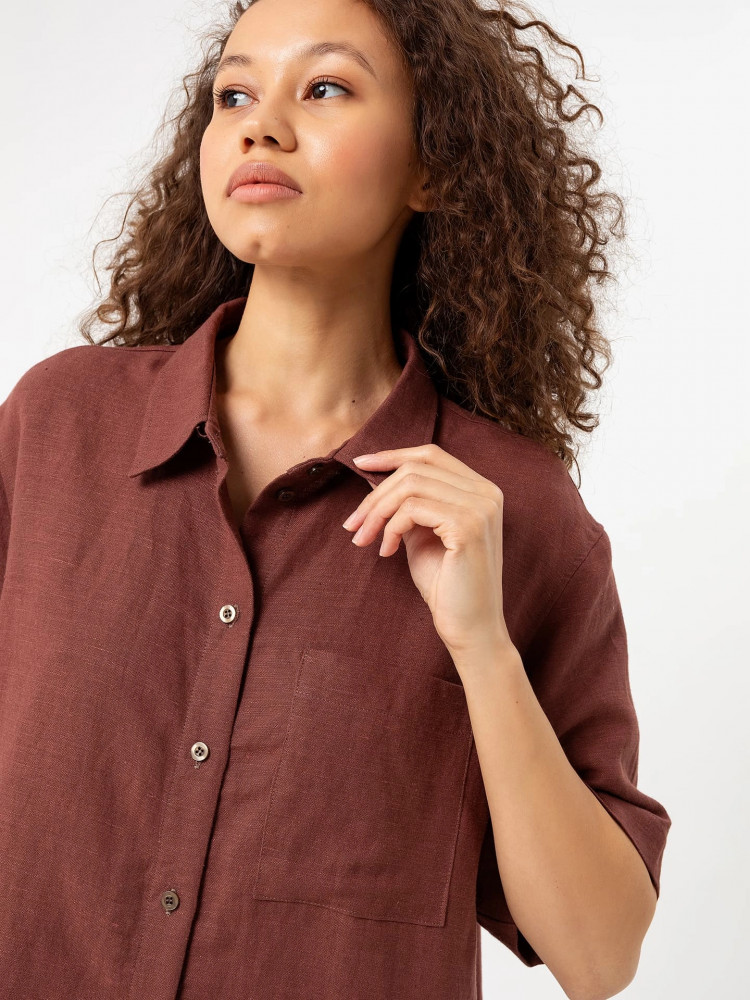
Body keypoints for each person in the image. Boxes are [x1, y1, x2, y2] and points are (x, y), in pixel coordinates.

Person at [0, 0, 672, 998]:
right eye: (234, 94)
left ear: (433, 163)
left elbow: (599, 954)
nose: (260, 127)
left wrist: (483, 651)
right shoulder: (59, 426)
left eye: (324, 87)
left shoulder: (514, 515)